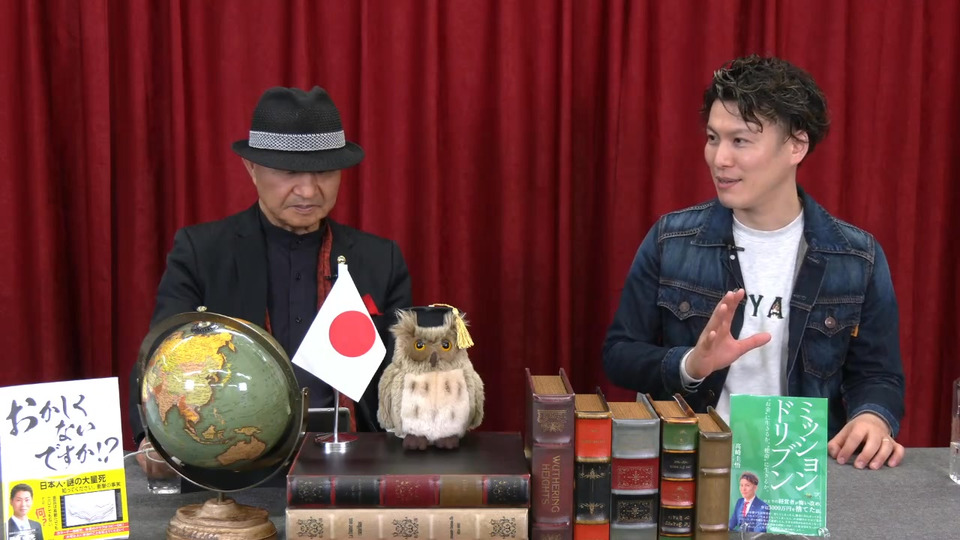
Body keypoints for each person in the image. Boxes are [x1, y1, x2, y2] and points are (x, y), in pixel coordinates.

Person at [602, 55, 905, 470]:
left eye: (740, 141)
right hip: (693, 469)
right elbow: (619, 354)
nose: (719, 158)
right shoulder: (672, 240)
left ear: (796, 145)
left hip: (802, 475)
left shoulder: (855, 257)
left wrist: (873, 417)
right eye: (713, 138)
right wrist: (691, 364)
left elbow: (879, 374)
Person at [128, 86, 413, 471]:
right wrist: (151, 437)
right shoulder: (202, 252)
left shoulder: (380, 260)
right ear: (252, 168)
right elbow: (162, 356)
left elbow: (405, 372)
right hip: (233, 465)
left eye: (325, 172)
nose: (308, 190)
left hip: (354, 463)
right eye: (290, 172)